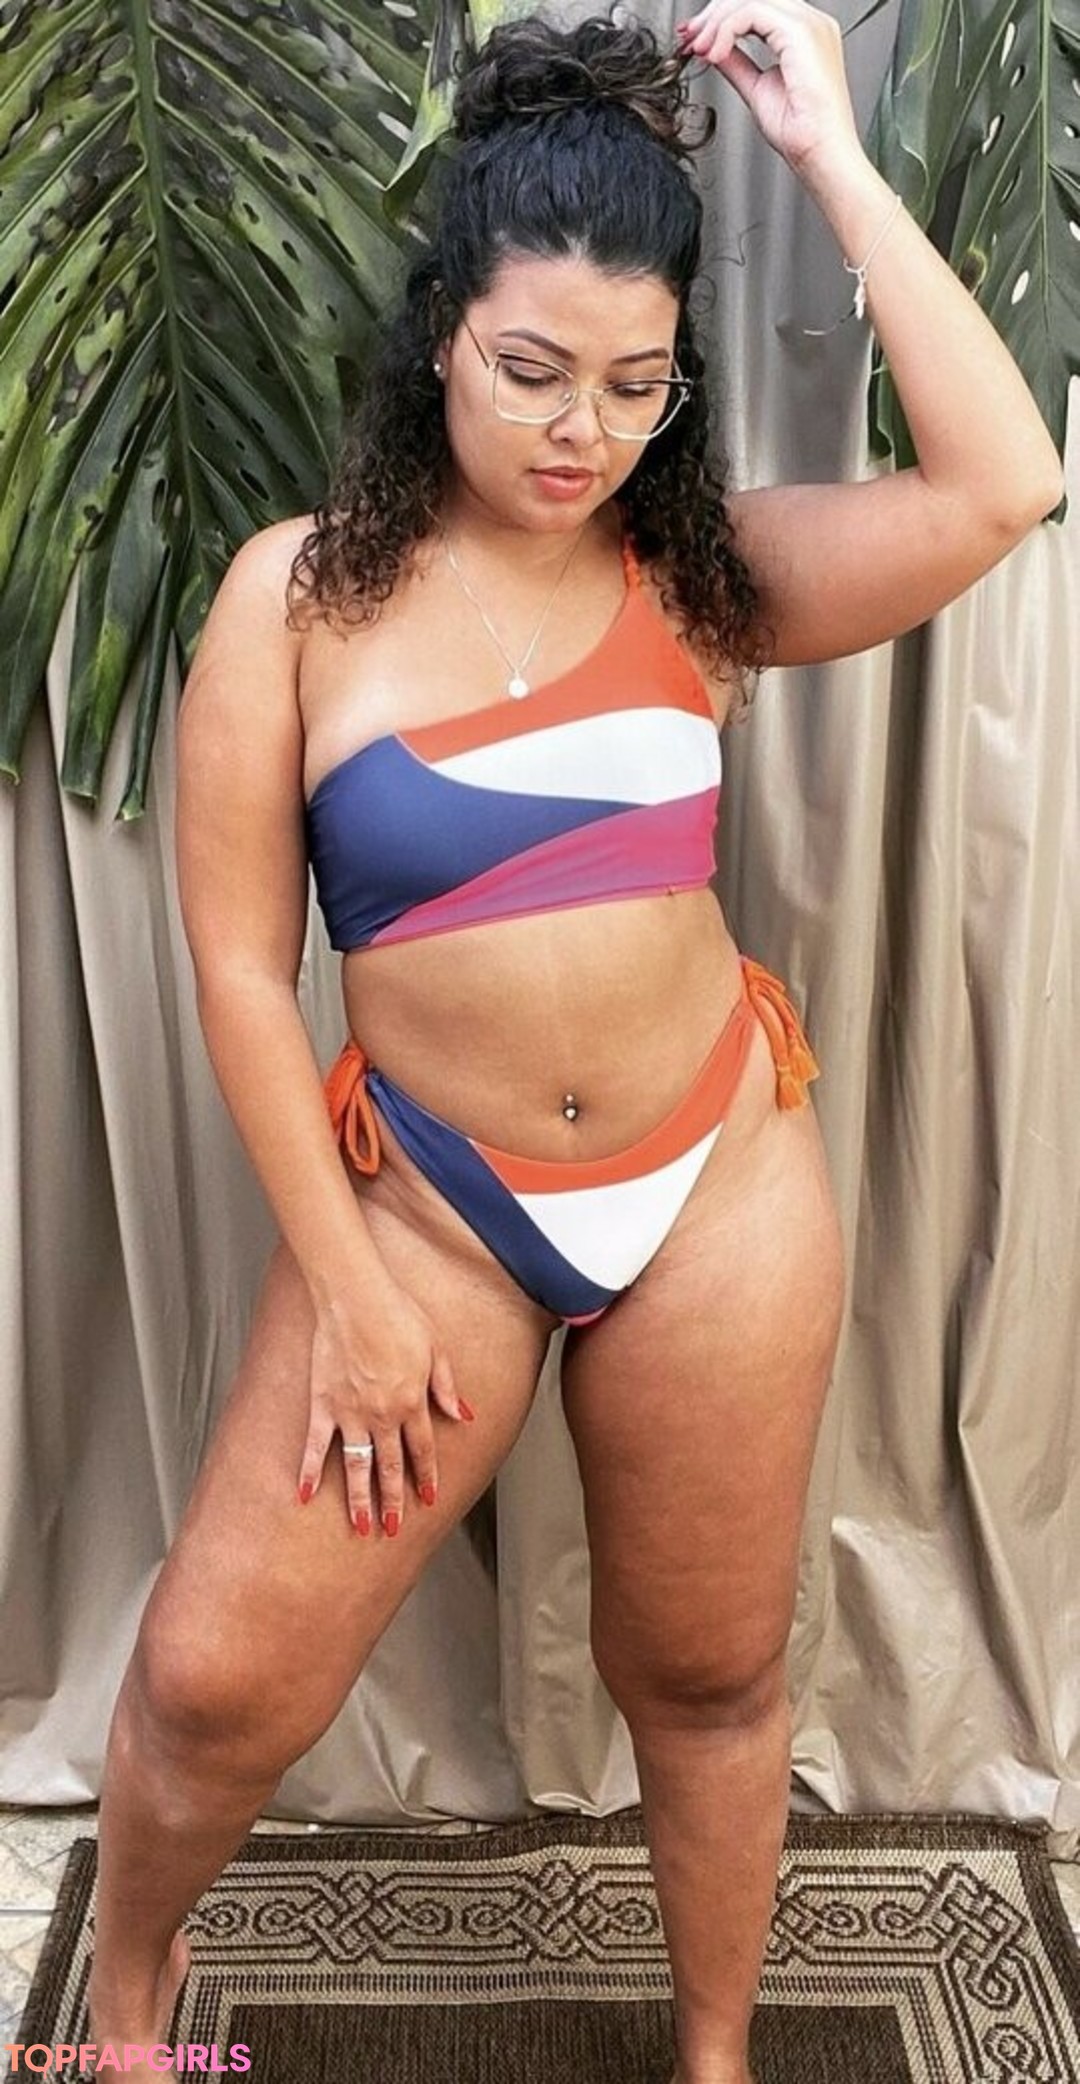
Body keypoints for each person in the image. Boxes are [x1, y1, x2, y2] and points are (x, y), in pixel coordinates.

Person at [85, 5, 1063, 2081]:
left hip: (714, 1184)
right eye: (532, 370)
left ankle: (714, 2057)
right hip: (430, 1213)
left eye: (635, 384)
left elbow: (1007, 481)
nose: (580, 431)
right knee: (210, 1682)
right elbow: (243, 971)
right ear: (442, 332)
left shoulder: (694, 579)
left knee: (704, 1674)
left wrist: (827, 154)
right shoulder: (295, 601)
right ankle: (126, 2013)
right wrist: (351, 1297)